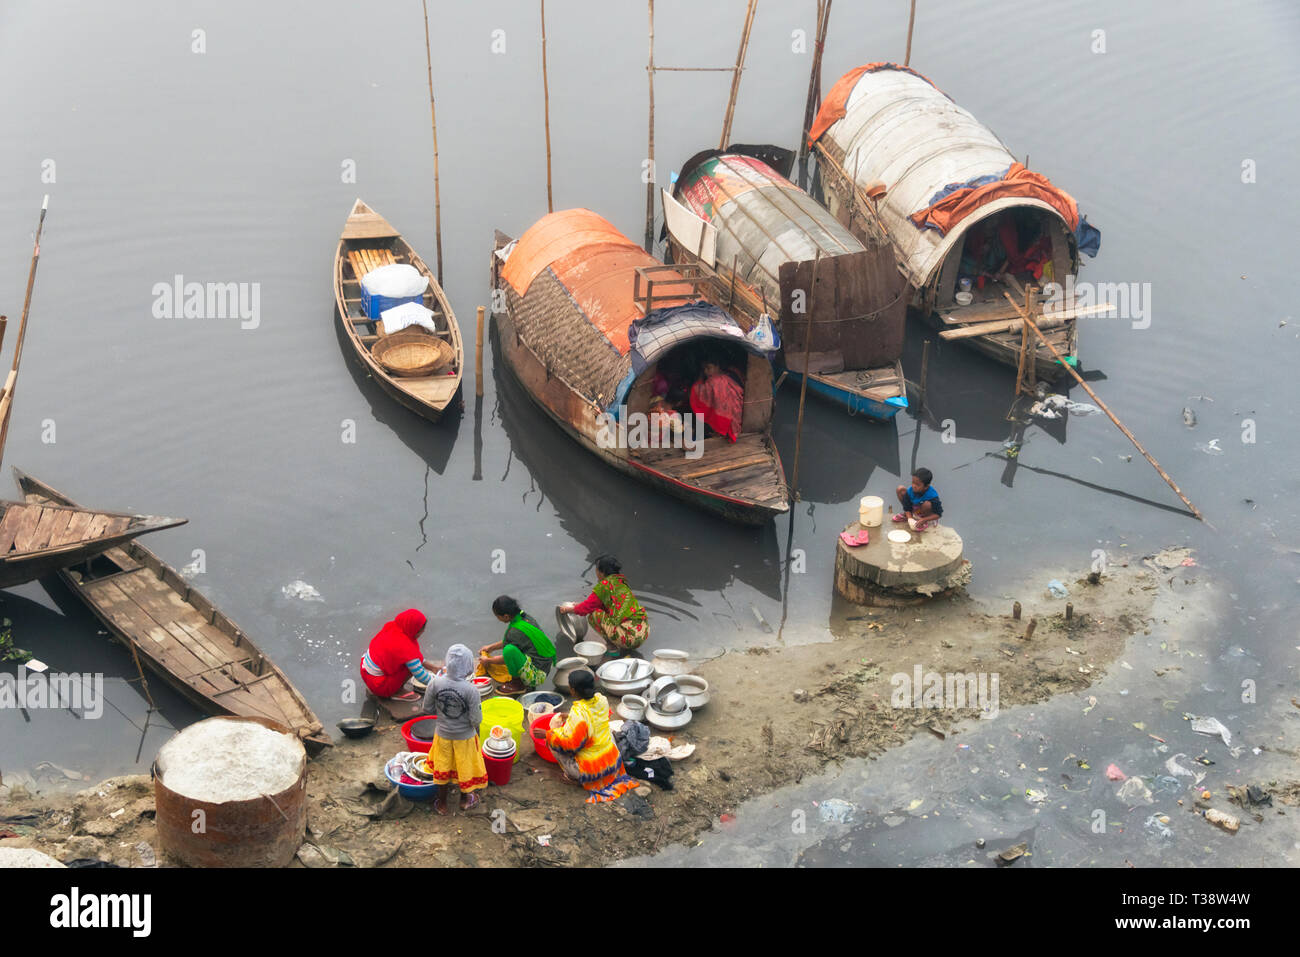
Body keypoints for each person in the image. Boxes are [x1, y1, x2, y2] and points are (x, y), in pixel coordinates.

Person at [545, 670, 637, 804]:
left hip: (593, 771)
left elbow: (571, 745)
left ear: (573, 690)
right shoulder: (602, 699)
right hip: (612, 762)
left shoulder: (578, 714)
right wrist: (568, 715)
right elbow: (591, 715)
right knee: (606, 730)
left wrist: (547, 734)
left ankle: (573, 777)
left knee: (552, 741)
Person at [421, 644, 487, 814]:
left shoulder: (435, 683)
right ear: (467, 667)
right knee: (465, 767)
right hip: (464, 738)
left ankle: (442, 803)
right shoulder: (471, 690)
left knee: (443, 767)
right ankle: (465, 800)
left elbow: (427, 708)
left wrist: (444, 714)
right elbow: (476, 719)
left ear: (447, 662)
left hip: (443, 735)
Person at [559, 555, 649, 653]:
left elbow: (587, 608)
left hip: (629, 638)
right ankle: (620, 641)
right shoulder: (620, 582)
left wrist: (566, 610)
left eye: (596, 570)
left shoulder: (604, 585)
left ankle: (613, 645)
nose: (596, 572)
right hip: (642, 633)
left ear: (601, 572)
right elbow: (598, 604)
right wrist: (579, 605)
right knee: (599, 610)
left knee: (594, 615)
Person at [476, 595, 557, 694]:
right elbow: (512, 639)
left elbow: (506, 657)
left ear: (506, 616)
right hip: (545, 666)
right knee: (510, 648)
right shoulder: (525, 618)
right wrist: (490, 647)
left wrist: (488, 661)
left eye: (498, 616)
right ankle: (520, 680)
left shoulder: (514, 631)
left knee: (509, 650)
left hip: (537, 675)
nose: (498, 619)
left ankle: (517, 684)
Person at [359, 608, 432, 700]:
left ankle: (392, 687)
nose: (421, 634)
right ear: (415, 630)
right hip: (379, 686)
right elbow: (420, 676)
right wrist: (440, 684)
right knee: (408, 667)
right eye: (420, 631)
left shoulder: (392, 627)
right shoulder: (404, 647)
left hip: (365, 672)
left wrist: (431, 667)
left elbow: (414, 658)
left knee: (408, 662)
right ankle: (396, 692)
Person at [689, 359, 744, 443]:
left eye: (709, 368)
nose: (706, 372)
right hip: (736, 417)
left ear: (717, 366)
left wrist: (699, 380)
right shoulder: (730, 373)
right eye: (704, 369)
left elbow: (698, 392)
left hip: (726, 419)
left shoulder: (715, 381)